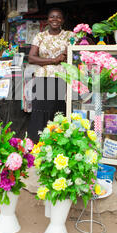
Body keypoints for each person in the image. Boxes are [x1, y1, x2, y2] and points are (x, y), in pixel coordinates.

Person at [27, 8, 76, 142]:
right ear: (47, 20)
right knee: (40, 111)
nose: (55, 19)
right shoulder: (40, 36)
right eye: (52, 17)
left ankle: (56, 143)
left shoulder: (69, 35)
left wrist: (64, 55)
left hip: (61, 78)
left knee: (57, 110)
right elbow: (31, 58)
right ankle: (37, 144)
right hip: (42, 78)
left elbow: (73, 53)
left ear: (63, 20)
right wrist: (53, 60)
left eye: (58, 17)